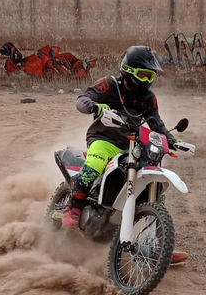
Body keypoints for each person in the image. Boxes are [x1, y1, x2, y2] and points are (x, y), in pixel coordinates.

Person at [61, 45, 188, 264]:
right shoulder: (110, 85)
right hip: (104, 139)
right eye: (144, 74)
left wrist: (173, 140)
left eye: (152, 75)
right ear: (128, 71)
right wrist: (93, 106)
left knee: (155, 187)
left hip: (133, 145)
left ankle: (157, 245)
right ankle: (74, 206)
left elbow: (157, 124)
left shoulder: (149, 98)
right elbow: (82, 100)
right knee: (95, 164)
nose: (148, 80)